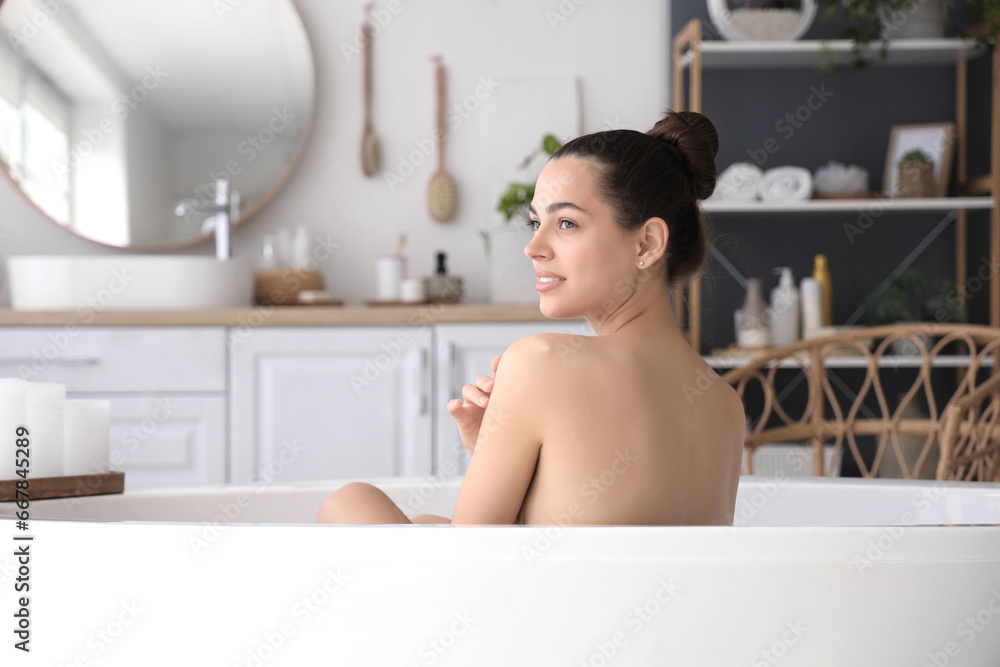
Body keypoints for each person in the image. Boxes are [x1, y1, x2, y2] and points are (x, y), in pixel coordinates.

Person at [315, 109, 746, 526]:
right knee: (425, 520)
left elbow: (473, 562)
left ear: (647, 244)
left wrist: (496, 443)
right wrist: (493, 445)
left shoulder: (543, 362)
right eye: (535, 222)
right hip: (645, 598)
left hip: (542, 599)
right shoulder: (725, 406)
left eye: (567, 224)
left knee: (350, 502)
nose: (534, 247)